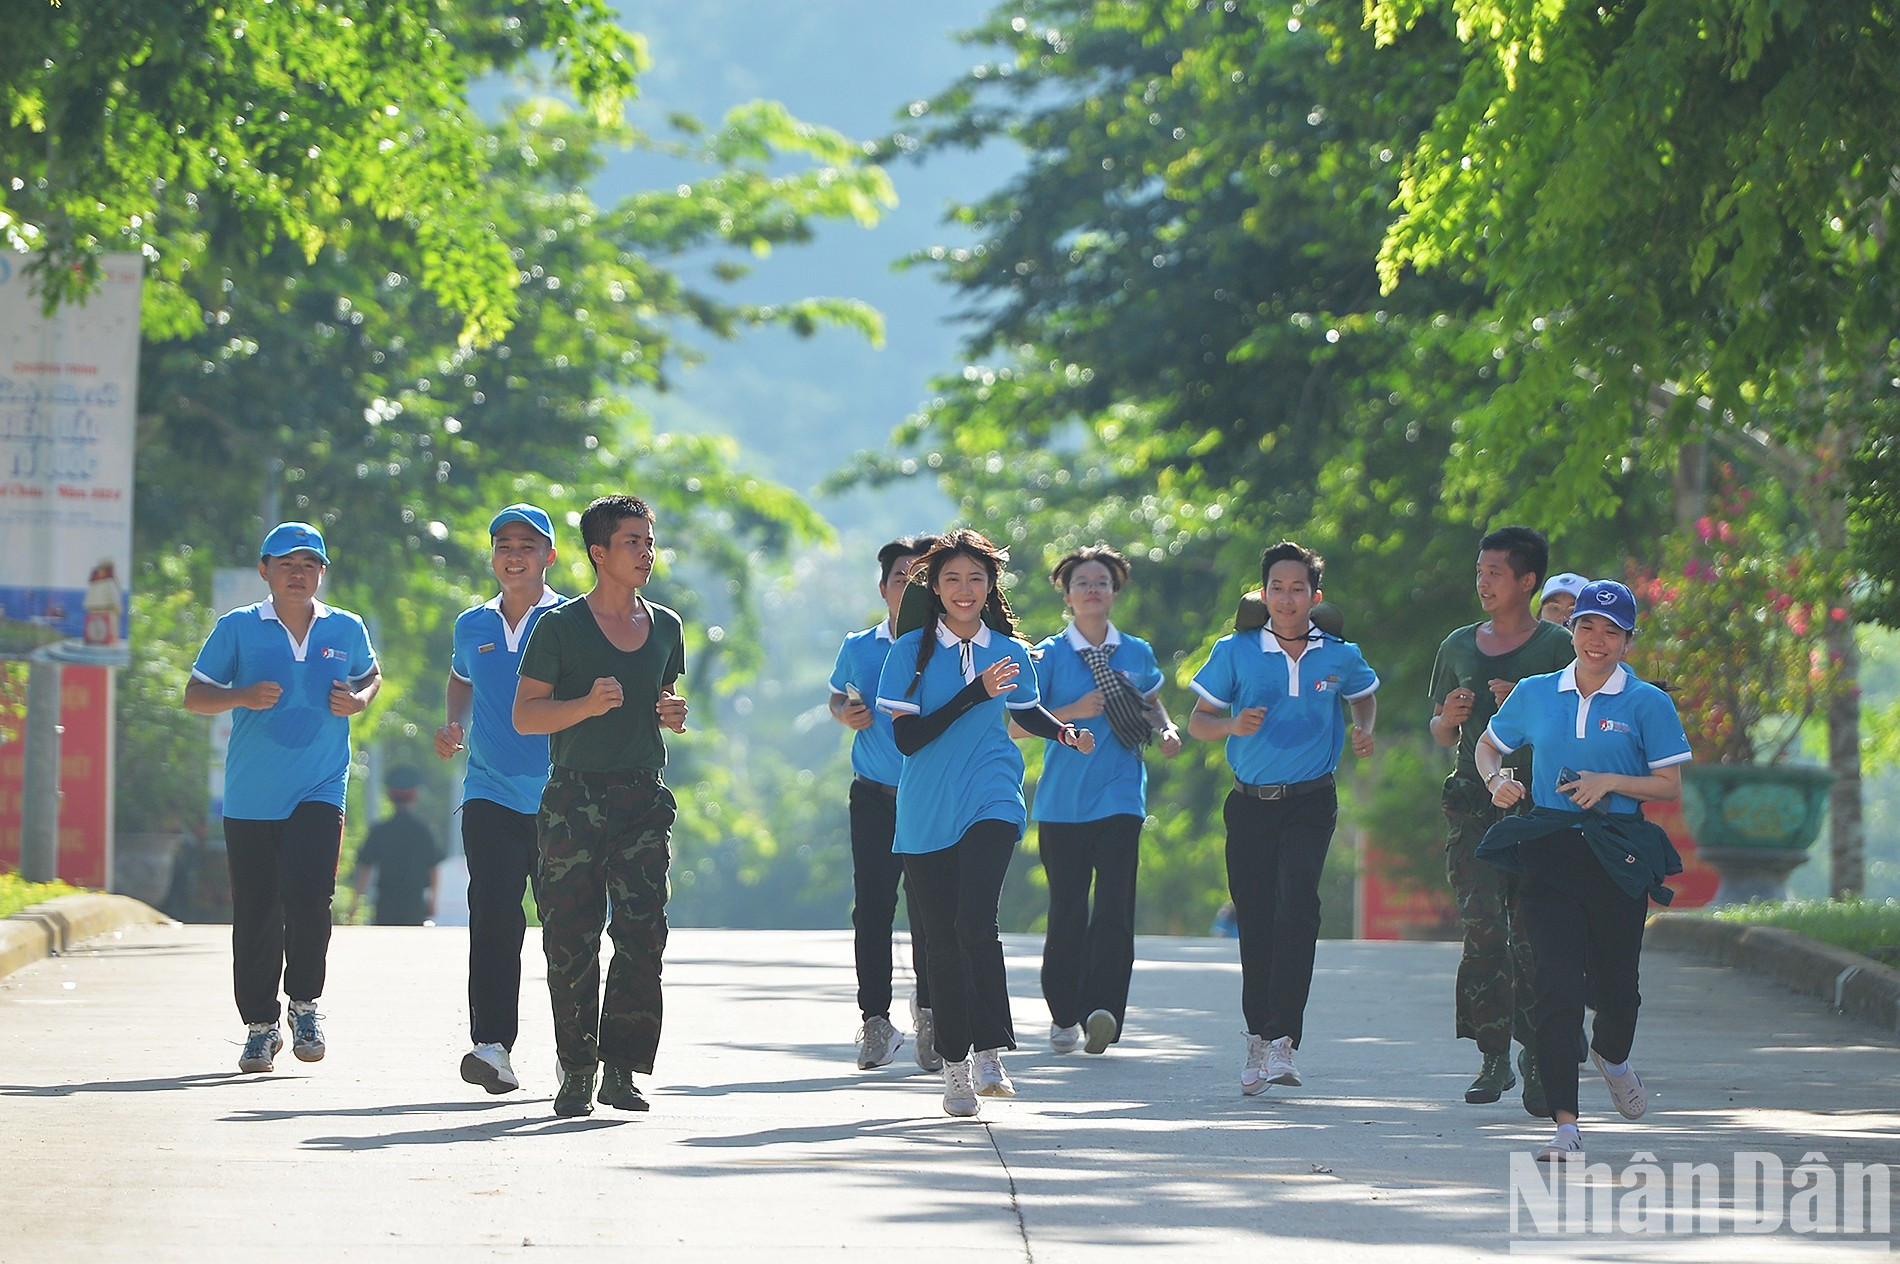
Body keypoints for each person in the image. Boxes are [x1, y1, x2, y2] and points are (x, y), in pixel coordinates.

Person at [875, 528, 1095, 1118]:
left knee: (976, 921)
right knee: (942, 941)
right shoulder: (907, 654)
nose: (965, 589)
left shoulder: (1012, 651)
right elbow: (907, 739)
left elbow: (1025, 709)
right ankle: (955, 1065)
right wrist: (973, 693)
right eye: (952, 579)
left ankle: (992, 1049)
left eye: (976, 578)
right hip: (925, 812)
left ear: (991, 585)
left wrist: (1064, 732)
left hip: (992, 799)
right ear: (936, 589)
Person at [1474, 579, 1689, 1161]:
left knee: (1619, 988)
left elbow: (1669, 783)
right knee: (1555, 985)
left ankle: (1614, 1056)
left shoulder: (1648, 703)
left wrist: (1609, 783)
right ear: (1572, 630)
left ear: (1627, 641)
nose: (1597, 641)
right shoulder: (1538, 692)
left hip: (1618, 851)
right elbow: (1488, 746)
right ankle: (1566, 1128)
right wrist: (1498, 781)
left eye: (1612, 632)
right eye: (1587, 627)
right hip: (1548, 846)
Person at [184, 521, 381, 1074]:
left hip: (320, 784)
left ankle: (305, 1005)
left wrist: (359, 700)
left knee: (310, 897)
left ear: (322, 573)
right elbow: (194, 696)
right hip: (250, 793)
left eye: (309, 564)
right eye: (286, 563)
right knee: (256, 909)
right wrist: (242, 694)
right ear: (265, 570)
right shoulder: (239, 628)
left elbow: (371, 676)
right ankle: (259, 1026)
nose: (299, 573)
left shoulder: (345, 628)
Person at [514, 495, 687, 1117]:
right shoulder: (559, 628)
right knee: (570, 939)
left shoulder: (665, 626)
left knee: (643, 934)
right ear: (598, 553)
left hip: (641, 795)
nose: (645, 552)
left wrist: (672, 713)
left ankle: (623, 1069)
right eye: (632, 542)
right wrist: (584, 705)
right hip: (573, 799)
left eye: (648, 540)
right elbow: (525, 714)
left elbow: (664, 698)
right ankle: (577, 1067)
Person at [1187, 540, 1377, 1096]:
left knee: (1299, 908)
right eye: (1277, 588)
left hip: (1311, 800)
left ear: (1315, 596)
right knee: (1257, 916)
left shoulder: (1339, 653)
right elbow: (1199, 721)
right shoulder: (1235, 650)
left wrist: (1363, 726)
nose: (1287, 599)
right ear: (1263, 594)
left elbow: (1363, 694)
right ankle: (1256, 1035)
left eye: (1298, 589)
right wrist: (1231, 727)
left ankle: (1284, 1041)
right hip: (1250, 803)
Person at [1427, 526, 1574, 1114]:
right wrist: (1451, 717)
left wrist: (1528, 702)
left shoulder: (1558, 647)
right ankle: (1492, 1057)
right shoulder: (1458, 646)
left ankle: (1538, 1056)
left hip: (1541, 808)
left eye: (1495, 573)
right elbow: (1439, 729)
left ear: (1527, 581)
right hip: (1473, 804)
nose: (1483, 582)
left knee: (1535, 936)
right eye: (1480, 571)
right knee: (1483, 928)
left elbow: (1579, 723)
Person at [1019, 546, 1181, 1056]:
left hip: (1120, 796)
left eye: (1103, 582)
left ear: (1115, 592)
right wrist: (1073, 710)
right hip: (1063, 804)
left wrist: (1169, 729)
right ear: (1066, 595)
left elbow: (1152, 703)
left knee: (1114, 907)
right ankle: (1064, 1013)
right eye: (1082, 582)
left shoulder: (1135, 651)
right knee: (1067, 910)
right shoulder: (1046, 654)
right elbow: (1019, 723)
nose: (1093, 589)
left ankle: (1104, 1010)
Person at [436, 502, 564, 1096]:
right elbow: (461, 680)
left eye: (527, 545)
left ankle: (576, 1051)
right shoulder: (473, 625)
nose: (514, 555)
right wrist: (454, 724)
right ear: (493, 557)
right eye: (503, 545)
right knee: (493, 915)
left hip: (563, 794)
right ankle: (492, 1046)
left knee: (569, 927)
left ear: (549, 556)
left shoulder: (571, 621)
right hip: (488, 790)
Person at [829, 535, 938, 1072]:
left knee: (928, 910)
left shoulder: (948, 645)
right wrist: (843, 711)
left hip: (932, 796)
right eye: (902, 578)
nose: (911, 587)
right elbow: (837, 692)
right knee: (872, 908)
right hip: (873, 792)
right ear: (883, 587)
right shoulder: (860, 645)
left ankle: (933, 1014)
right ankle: (875, 1022)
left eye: (923, 578)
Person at [351, 766, 444, 925]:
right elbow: (433, 869)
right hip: (414, 904)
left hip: (386, 904)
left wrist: (354, 905)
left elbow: (365, 868)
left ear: (389, 796)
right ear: (415, 796)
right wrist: (433, 901)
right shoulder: (423, 832)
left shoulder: (380, 831)